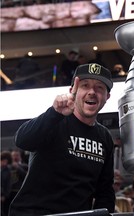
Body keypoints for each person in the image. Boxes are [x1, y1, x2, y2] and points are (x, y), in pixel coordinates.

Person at [9, 63, 115, 216]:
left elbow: (105, 191)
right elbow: (22, 140)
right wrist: (54, 113)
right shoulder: (55, 120)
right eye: (85, 85)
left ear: (107, 97)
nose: (92, 92)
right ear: (73, 90)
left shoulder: (105, 137)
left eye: (99, 88)